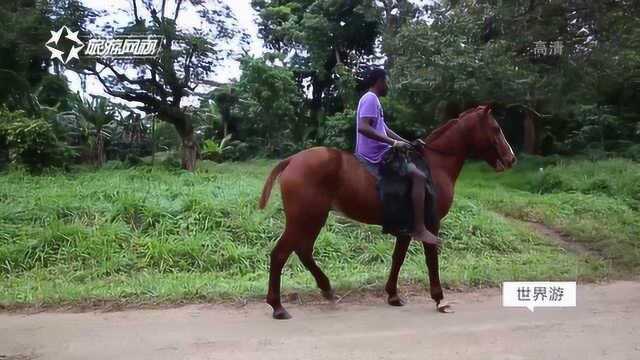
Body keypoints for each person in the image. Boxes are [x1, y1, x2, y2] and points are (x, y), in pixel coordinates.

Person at [355, 68, 440, 246]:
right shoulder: (370, 98)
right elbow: (363, 127)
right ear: (378, 81)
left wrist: (407, 142)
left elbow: (383, 128)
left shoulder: (374, 100)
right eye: (386, 81)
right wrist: (393, 144)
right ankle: (418, 228)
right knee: (418, 176)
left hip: (381, 149)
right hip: (375, 154)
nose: (388, 85)